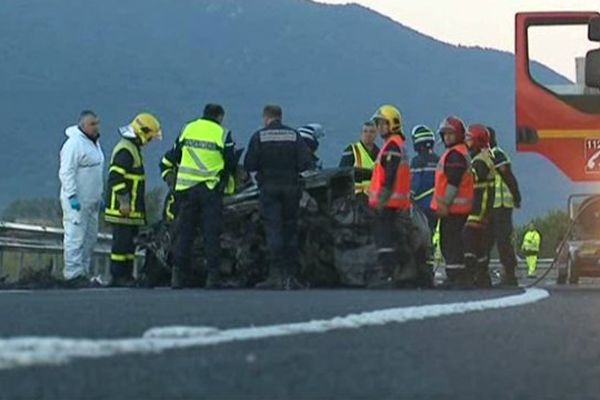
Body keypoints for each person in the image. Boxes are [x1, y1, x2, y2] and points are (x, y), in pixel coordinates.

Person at [244, 105, 313, 289]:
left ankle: (275, 275)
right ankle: (290, 275)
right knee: (290, 228)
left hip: (269, 189)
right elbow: (306, 162)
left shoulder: (259, 136)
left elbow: (249, 163)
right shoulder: (294, 135)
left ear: (266, 118)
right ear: (280, 117)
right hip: (291, 188)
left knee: (273, 229)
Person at [170, 104, 236, 289]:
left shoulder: (188, 128)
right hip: (209, 189)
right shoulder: (222, 134)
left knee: (185, 233)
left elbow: (175, 154)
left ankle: (177, 277)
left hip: (187, 189)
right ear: (220, 116)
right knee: (211, 234)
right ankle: (212, 277)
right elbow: (231, 161)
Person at [104, 113, 162, 286]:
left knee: (129, 245)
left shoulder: (132, 148)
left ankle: (126, 276)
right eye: (150, 137)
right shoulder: (125, 150)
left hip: (131, 211)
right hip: (122, 210)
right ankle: (118, 276)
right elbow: (115, 177)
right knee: (121, 246)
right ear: (143, 132)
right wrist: (124, 201)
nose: (149, 141)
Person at [367, 105, 414, 287]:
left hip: (389, 202)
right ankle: (401, 273)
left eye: (382, 124)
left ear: (392, 124)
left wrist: (382, 198)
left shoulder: (392, 145)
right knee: (394, 237)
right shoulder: (395, 144)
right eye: (378, 124)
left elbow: (390, 174)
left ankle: (386, 274)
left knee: (384, 238)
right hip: (396, 201)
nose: (379, 128)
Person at [59, 110, 105, 287]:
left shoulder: (94, 144)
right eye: (92, 124)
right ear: (83, 125)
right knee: (75, 237)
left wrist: (99, 196)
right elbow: (66, 171)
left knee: (90, 239)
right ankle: (72, 273)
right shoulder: (74, 144)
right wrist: (71, 196)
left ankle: (83, 272)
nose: (96, 127)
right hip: (77, 203)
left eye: (97, 123)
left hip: (92, 202)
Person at [431, 116, 474, 288]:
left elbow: (453, 182)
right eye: (445, 134)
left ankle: (455, 277)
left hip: (454, 209)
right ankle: (459, 276)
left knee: (450, 243)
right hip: (458, 208)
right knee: (454, 242)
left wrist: (444, 204)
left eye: (451, 134)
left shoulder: (455, 155)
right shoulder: (459, 152)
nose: (447, 137)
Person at [487, 127, 522, 286]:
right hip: (490, 205)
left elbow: (507, 175)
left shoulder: (496, 154)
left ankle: (509, 274)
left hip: (500, 206)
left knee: (503, 241)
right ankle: (482, 274)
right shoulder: (485, 156)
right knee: (486, 241)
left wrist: (516, 196)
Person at [463, 124, 496, 288]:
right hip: (481, 206)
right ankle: (482, 276)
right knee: (479, 244)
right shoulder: (485, 156)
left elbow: (472, 180)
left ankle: (472, 274)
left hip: (478, 207)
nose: (466, 142)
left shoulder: (480, 161)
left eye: (469, 139)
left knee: (469, 240)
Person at [339, 121, 380, 200]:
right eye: (365, 131)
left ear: (376, 135)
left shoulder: (380, 153)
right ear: (361, 133)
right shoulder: (352, 150)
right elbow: (342, 174)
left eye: (371, 132)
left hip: (375, 198)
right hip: (356, 197)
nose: (368, 134)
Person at [410, 124, 439, 232]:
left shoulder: (416, 161)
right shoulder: (438, 160)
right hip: (437, 204)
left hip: (421, 205)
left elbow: (414, 183)